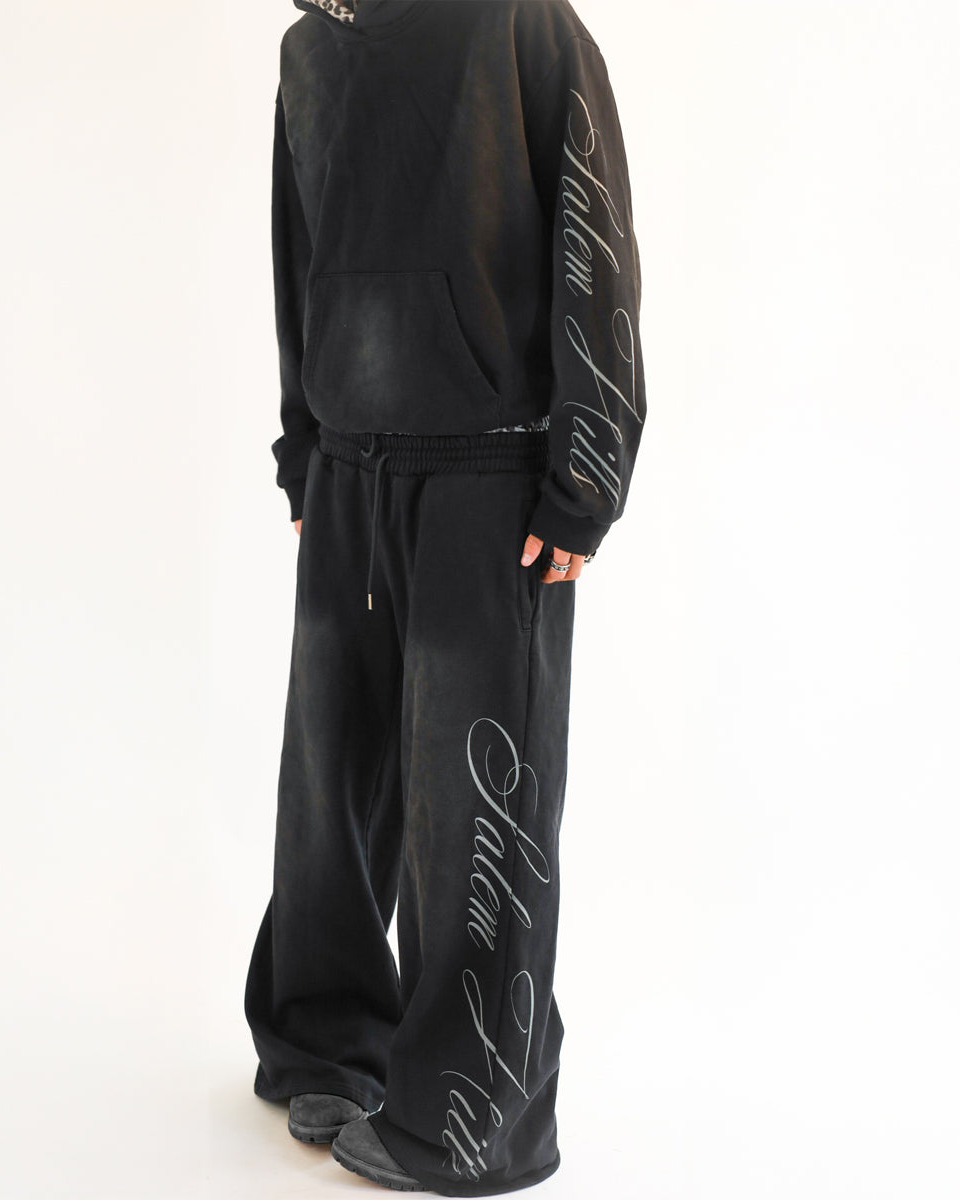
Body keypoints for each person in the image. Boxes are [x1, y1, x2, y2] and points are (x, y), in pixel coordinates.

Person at [244, 0, 647, 1193]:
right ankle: (323, 1041)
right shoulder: (310, 46)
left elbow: (593, 223)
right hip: (348, 468)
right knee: (328, 792)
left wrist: (585, 473)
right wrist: (303, 445)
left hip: (488, 477)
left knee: (476, 807)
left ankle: (471, 1123)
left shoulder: (519, 19)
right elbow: (299, 248)